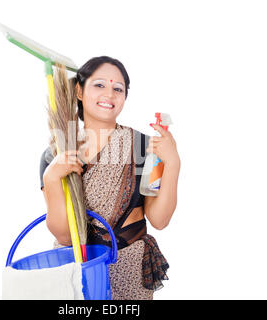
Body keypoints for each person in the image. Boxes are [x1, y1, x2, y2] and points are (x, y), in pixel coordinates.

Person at [39, 56, 180, 300]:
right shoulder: (57, 153)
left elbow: (159, 219)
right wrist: (52, 179)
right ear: (79, 91)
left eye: (118, 89)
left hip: (128, 271)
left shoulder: (142, 147)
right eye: (99, 85)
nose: (110, 94)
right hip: (76, 272)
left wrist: (173, 163)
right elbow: (63, 235)